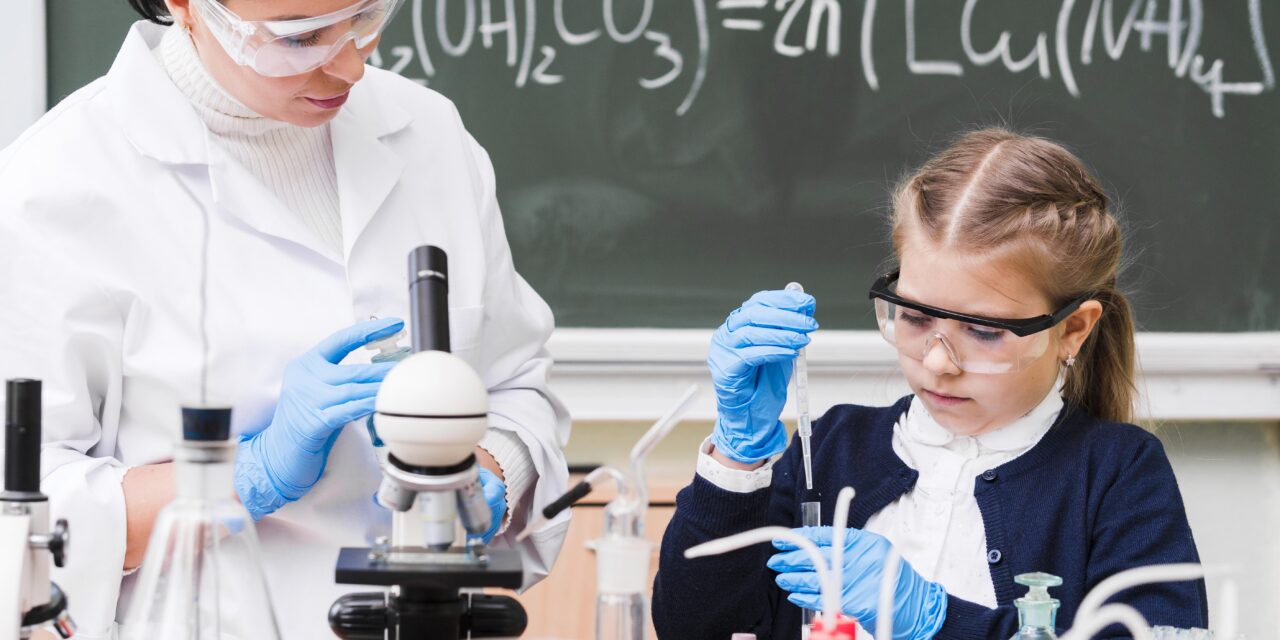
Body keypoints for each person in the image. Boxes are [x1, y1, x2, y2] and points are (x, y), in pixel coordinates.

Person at [0, 0, 570, 637]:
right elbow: (21, 526)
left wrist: (486, 473)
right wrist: (249, 475)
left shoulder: (431, 134)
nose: (352, 67)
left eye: (366, 17)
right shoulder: (54, 188)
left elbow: (518, 386)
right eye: (300, 38)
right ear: (186, 7)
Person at [652, 128, 1208, 639]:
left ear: (1072, 330)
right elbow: (691, 628)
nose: (939, 362)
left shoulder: (1118, 473)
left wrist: (937, 619)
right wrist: (737, 460)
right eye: (916, 318)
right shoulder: (833, 447)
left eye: (984, 331)